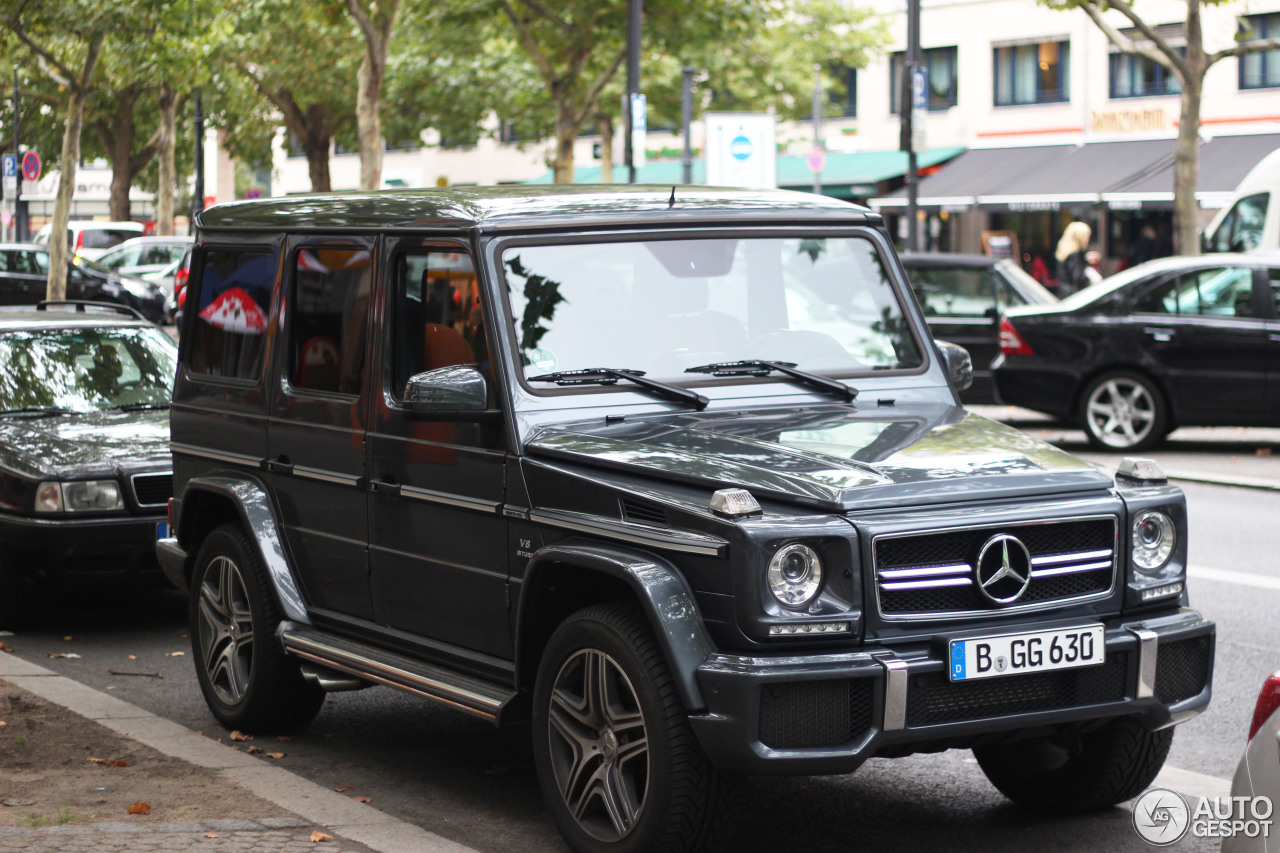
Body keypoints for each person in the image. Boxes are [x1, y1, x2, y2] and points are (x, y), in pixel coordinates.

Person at [1054, 221, 1092, 296]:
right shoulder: (1074, 254)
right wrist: (1091, 278)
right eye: (1086, 236)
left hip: (1064, 292)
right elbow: (1078, 277)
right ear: (1079, 237)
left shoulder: (1064, 252)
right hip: (1074, 294)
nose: (1088, 239)